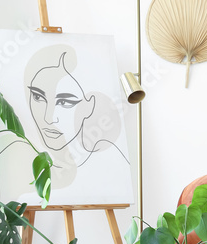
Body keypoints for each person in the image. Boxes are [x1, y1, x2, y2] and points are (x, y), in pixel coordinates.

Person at [20, 45, 128, 195]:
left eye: (64, 102)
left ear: (89, 106)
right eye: (38, 97)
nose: (48, 118)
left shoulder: (108, 170)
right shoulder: (20, 164)